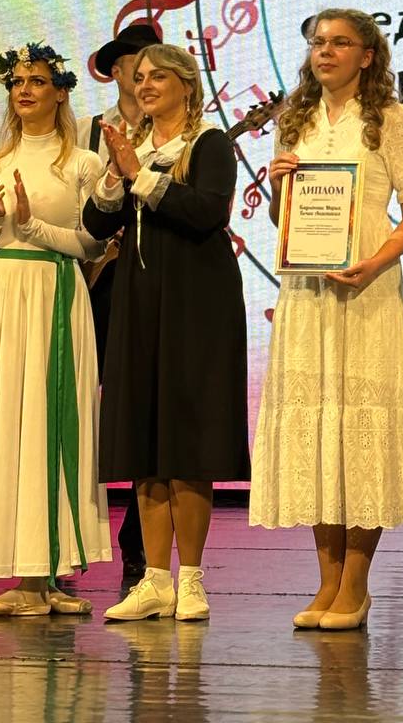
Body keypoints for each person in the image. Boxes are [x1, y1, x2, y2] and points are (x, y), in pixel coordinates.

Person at [249, 9, 403, 631]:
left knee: (361, 429)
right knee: (319, 430)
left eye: (339, 42)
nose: (325, 51)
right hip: (306, 293)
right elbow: (284, 221)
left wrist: (375, 263)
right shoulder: (294, 120)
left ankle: (356, 584)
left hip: (366, 289)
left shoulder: (391, 120)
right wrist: (279, 188)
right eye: (318, 42)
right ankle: (326, 582)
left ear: (367, 56)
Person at [82, 43, 249, 622]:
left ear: (186, 84)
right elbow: (96, 223)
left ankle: (193, 579)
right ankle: (155, 580)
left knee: (186, 440)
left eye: (158, 76)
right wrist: (116, 174)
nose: (145, 85)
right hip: (139, 302)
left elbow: (207, 212)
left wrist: (139, 175)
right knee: (146, 439)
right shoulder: (136, 148)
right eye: (140, 77)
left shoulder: (208, 143)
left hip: (196, 305)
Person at [0, 42, 111, 615]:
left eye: (38, 81)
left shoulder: (82, 163)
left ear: (61, 93)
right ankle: (25, 580)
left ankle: (42, 580)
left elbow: (92, 245)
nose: (25, 90)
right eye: (17, 82)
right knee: (6, 422)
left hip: (55, 291)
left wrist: (33, 227)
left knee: (50, 421)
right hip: (2, 294)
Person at [77, 21, 161, 580]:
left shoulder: (175, 130)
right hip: (96, 281)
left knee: (143, 406)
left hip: (149, 279)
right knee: (79, 401)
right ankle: (64, 533)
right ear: (116, 70)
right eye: (136, 60)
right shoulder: (88, 131)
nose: (146, 70)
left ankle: (137, 536)